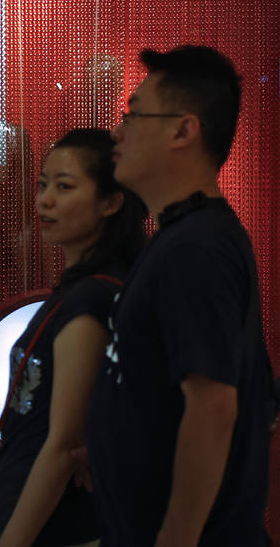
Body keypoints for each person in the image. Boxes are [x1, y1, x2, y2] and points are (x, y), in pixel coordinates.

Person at [87, 46, 274, 546]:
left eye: (134, 113)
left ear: (183, 130)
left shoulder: (195, 249)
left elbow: (213, 406)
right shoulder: (179, 238)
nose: (118, 132)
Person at [0, 129, 146, 547]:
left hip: (60, 528)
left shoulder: (93, 299)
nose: (45, 200)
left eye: (64, 187)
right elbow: (28, 414)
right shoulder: (74, 292)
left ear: (111, 202)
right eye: (42, 184)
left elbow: (65, 444)